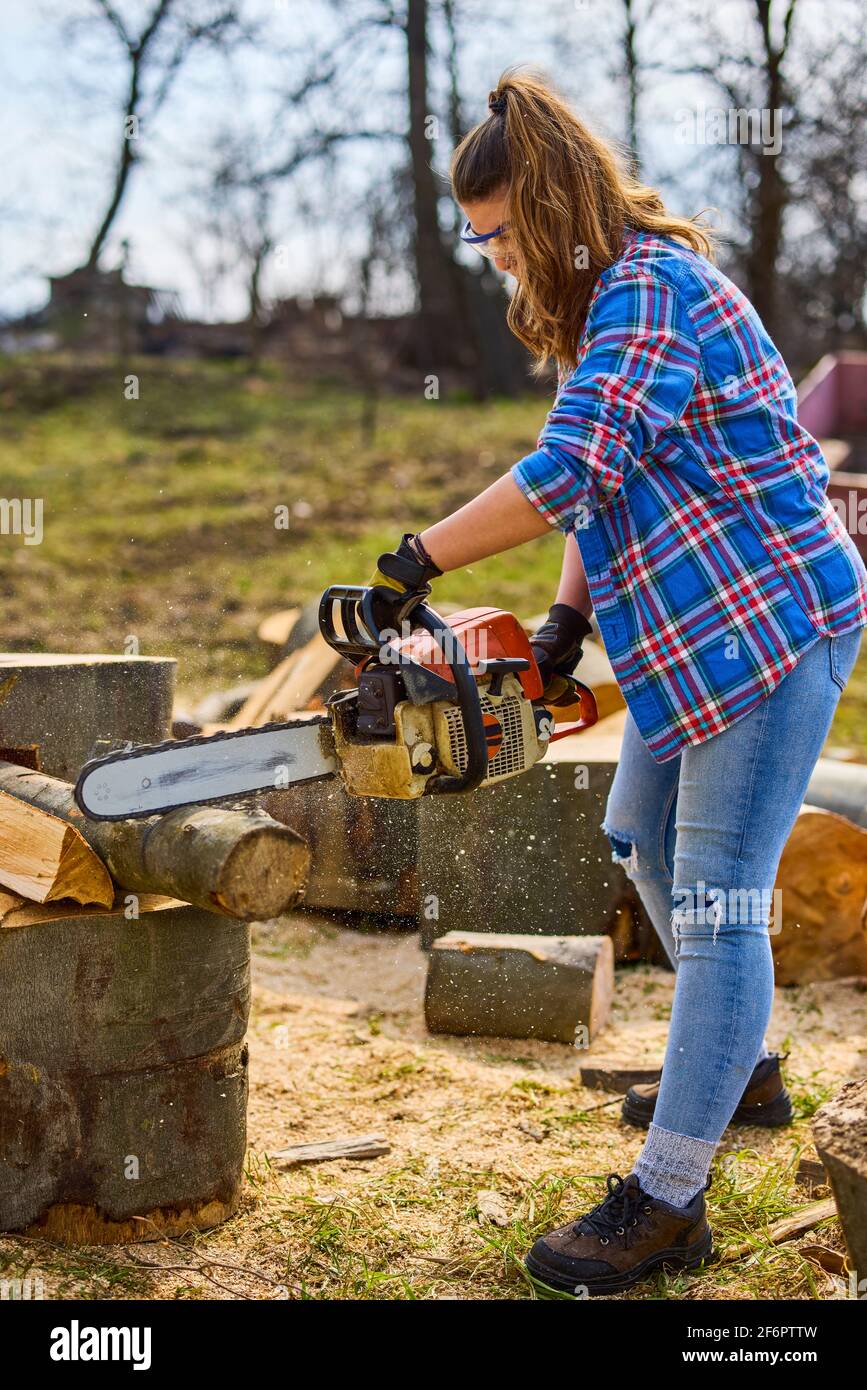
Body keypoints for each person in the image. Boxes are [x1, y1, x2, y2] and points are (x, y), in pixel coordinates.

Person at [366, 69, 867, 1296]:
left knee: (716, 903)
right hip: (683, 634)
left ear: (541, 209)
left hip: (768, 623)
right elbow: (607, 486)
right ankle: (739, 1062)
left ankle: (668, 1199)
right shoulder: (606, 314)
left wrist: (421, 557)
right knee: (635, 829)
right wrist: (558, 622)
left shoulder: (653, 289)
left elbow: (567, 464)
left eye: (494, 238)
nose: (491, 264)